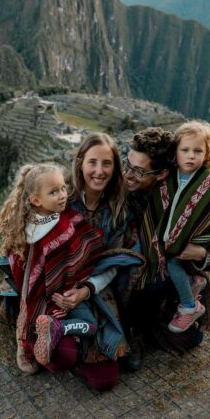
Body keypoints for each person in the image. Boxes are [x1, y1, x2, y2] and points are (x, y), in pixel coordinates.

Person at [122, 126, 210, 364]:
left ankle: (166, 316)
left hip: (170, 275)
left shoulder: (181, 190)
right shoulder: (122, 193)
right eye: (127, 164)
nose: (128, 175)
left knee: (191, 341)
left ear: (161, 173)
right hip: (132, 278)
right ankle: (131, 329)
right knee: (136, 273)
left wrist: (202, 253)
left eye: (139, 171)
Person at [50, 133, 145, 390]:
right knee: (62, 357)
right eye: (92, 162)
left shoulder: (118, 207)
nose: (99, 171)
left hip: (96, 286)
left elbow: (113, 261)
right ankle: (54, 337)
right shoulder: (61, 200)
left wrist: (87, 289)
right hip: (56, 284)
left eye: (107, 163)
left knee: (104, 381)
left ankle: (89, 341)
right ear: (80, 163)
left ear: (115, 167)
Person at [0, 163, 104, 375]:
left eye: (63, 188)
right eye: (54, 192)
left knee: (89, 328)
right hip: (43, 299)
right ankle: (27, 338)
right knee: (89, 325)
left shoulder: (68, 218)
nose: (62, 195)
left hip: (69, 294)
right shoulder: (26, 231)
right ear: (36, 200)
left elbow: (88, 245)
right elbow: (26, 278)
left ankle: (55, 329)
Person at [160, 121, 210, 333]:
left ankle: (189, 306)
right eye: (185, 150)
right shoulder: (167, 179)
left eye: (197, 151)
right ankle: (193, 281)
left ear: (207, 154)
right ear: (175, 152)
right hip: (168, 242)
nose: (191, 155)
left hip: (189, 246)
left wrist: (202, 250)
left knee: (174, 263)